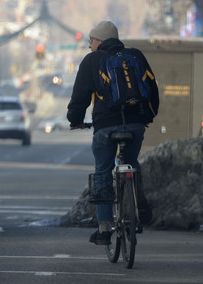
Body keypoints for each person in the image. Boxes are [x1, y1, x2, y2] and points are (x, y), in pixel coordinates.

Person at [67, 20, 159, 245]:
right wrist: (146, 117)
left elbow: (80, 97)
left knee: (103, 170)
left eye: (91, 41)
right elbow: (152, 88)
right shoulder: (135, 55)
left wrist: (76, 120)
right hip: (136, 124)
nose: (89, 46)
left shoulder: (92, 60)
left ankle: (105, 228)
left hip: (106, 125)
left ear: (98, 41)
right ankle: (138, 198)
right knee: (131, 161)